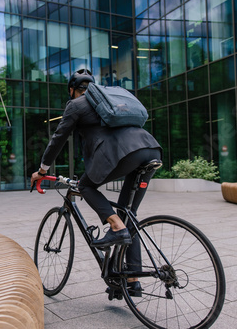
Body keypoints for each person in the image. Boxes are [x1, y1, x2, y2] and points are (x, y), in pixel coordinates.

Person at [30, 68, 162, 295]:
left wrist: (42, 170)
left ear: (72, 89)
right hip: (150, 150)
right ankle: (131, 281)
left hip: (123, 154)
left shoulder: (76, 104)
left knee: (85, 186)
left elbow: (58, 138)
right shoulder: (112, 102)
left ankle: (115, 226)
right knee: (128, 214)